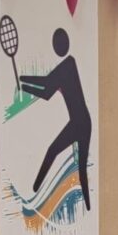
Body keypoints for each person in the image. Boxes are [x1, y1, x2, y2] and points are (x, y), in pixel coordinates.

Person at [20, 28, 92, 211]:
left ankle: (36, 187)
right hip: (83, 121)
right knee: (78, 165)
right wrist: (24, 85)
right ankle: (37, 187)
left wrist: (23, 80)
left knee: (54, 152)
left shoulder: (67, 65)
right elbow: (46, 92)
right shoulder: (69, 64)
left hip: (79, 122)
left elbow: (45, 84)